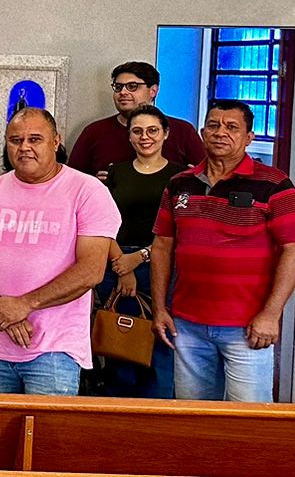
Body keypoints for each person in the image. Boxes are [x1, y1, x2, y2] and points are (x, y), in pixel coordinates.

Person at [0, 108, 119, 396]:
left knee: (47, 437)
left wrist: (26, 304)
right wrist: (1, 311)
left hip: (54, 348)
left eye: (35, 139)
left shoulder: (87, 190)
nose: (24, 147)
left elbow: (91, 271)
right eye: (15, 140)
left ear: (55, 141)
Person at [151, 100, 295, 403]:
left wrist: (271, 314)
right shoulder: (180, 183)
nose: (220, 132)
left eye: (232, 127)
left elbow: (294, 249)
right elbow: (162, 247)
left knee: (247, 423)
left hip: (248, 327)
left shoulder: (275, 185)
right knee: (195, 416)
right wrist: (159, 309)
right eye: (213, 125)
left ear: (249, 137)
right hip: (188, 325)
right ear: (202, 131)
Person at [91, 104, 182, 398]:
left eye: (153, 130)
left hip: (159, 263)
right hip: (114, 262)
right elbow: (103, 222)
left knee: (160, 341)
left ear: (165, 134)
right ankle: (118, 414)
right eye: (137, 131)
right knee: (120, 340)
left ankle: (157, 415)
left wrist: (139, 258)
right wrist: (121, 263)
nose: (145, 137)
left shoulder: (181, 177)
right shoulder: (116, 172)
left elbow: (179, 230)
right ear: (129, 136)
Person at [68, 62, 206, 176]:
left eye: (132, 86)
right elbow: (73, 179)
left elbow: (206, 174)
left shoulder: (183, 131)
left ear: (153, 90)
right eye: (118, 87)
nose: (123, 92)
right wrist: (94, 185)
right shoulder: (94, 132)